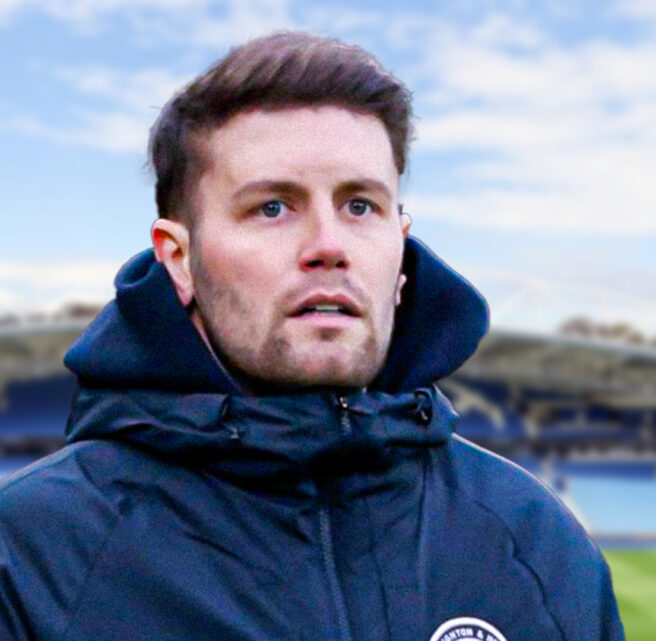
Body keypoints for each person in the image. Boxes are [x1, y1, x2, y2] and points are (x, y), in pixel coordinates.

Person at [0, 32, 623, 640]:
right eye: (273, 207)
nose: (329, 246)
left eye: (360, 206)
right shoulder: (31, 556)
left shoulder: (534, 539)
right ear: (178, 259)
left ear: (400, 242)